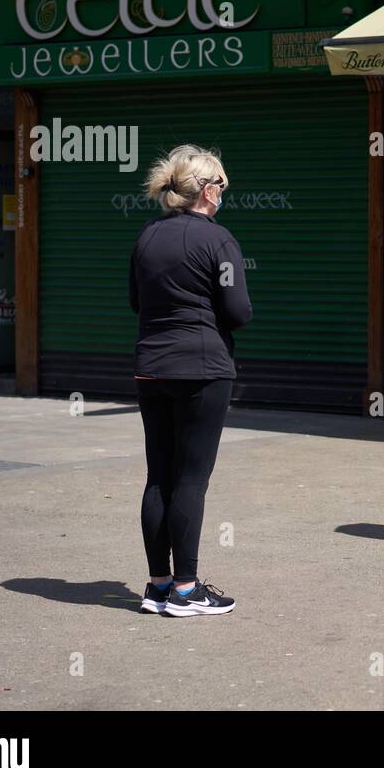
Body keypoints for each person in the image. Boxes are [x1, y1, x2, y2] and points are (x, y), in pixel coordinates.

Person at [130, 145, 252, 616]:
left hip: (151, 366)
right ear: (206, 190)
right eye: (222, 184)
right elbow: (238, 312)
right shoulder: (218, 241)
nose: (224, 192)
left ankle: (159, 585)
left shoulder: (146, 237)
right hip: (202, 368)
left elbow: (136, 301)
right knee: (191, 479)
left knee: (158, 474)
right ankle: (186, 589)